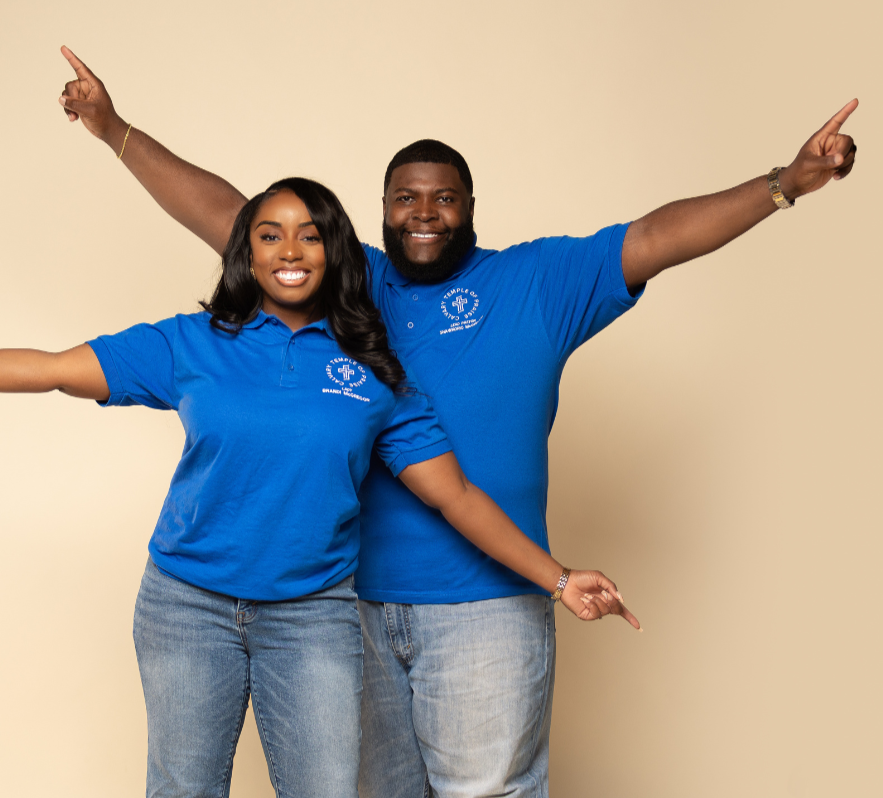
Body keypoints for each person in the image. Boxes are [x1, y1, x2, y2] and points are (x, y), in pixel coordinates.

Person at [53, 46, 858, 798]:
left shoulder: (539, 282)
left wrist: (786, 182)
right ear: (380, 210)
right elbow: (228, 212)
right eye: (406, 199)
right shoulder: (347, 283)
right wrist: (113, 129)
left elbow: (656, 237)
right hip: (349, 607)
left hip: (490, 609)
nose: (425, 214)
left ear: (471, 206)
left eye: (444, 199)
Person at [0, 178, 638, 798]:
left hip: (313, 618)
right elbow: (54, 369)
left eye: (310, 235)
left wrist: (559, 579)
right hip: (187, 605)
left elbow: (455, 496)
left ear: (336, 253)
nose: (290, 250)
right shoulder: (194, 343)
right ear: (246, 252)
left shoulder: (374, 372)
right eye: (269, 234)